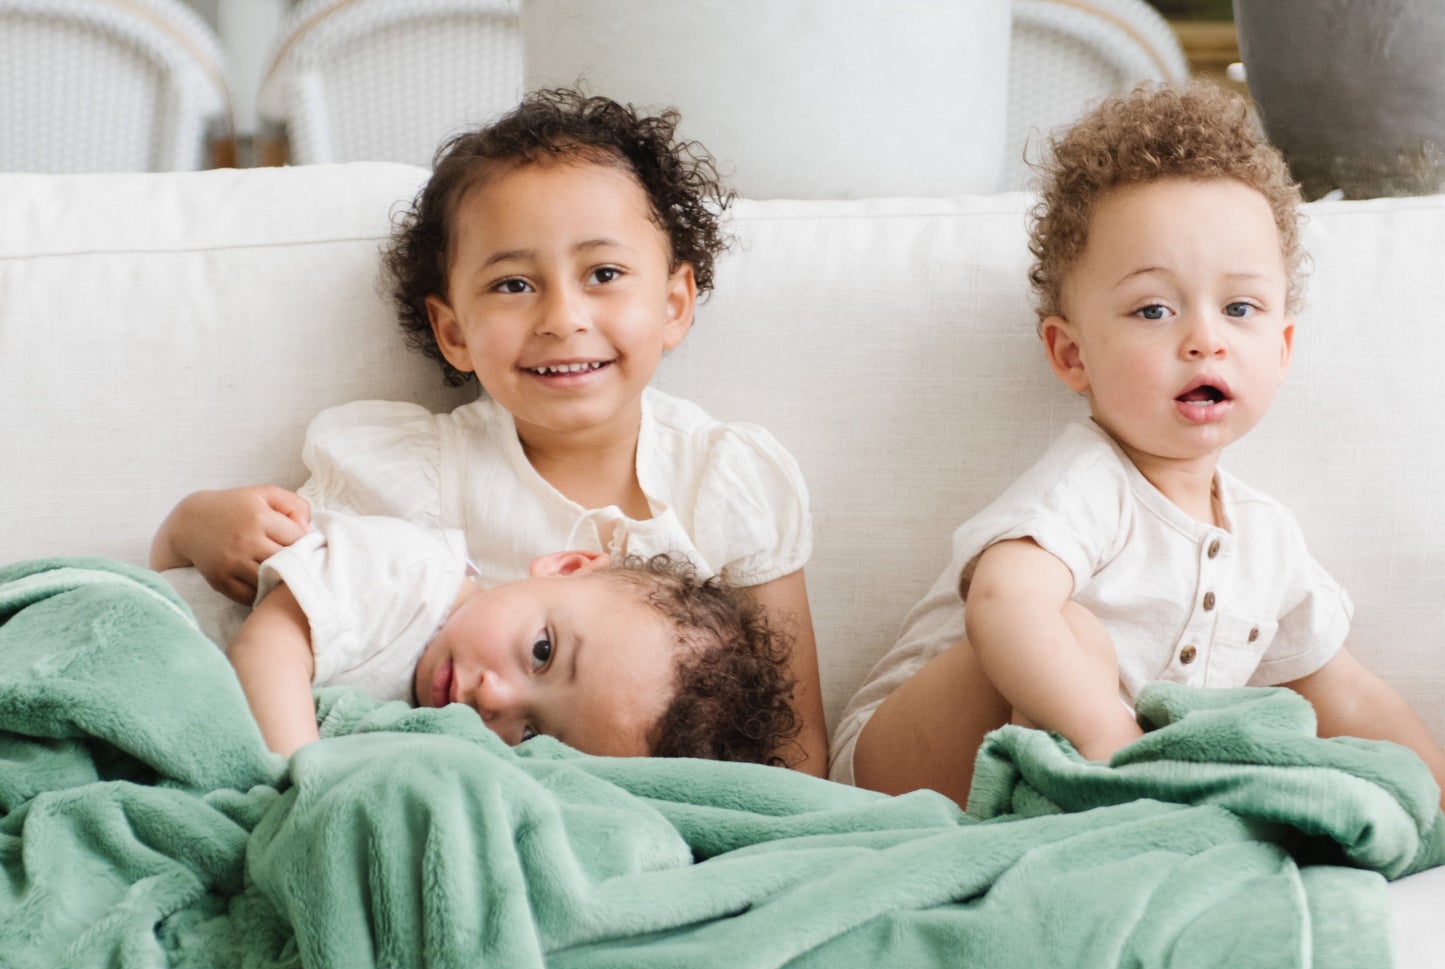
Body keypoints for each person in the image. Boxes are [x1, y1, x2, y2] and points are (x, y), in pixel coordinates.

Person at [150, 89, 828, 774]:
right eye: (512, 284)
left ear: (673, 304)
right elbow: (285, 611)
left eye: (603, 273)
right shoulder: (412, 475)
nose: (562, 317)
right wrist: (194, 525)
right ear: (453, 331)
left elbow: (791, 749)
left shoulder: (725, 479)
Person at [831, 82, 1445, 810]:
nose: (1204, 338)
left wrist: (1433, 792)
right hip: (902, 766)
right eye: (1153, 308)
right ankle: (1074, 789)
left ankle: (1076, 819)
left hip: (1087, 778)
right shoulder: (1089, 483)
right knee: (1071, 633)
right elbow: (1002, 601)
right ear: (1070, 355)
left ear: (1280, 350)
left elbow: (1347, 692)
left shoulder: (1267, 540)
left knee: (1271, 725)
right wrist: (1109, 739)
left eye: (1239, 308)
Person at [216, 507, 798, 762]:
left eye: (533, 736)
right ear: (567, 566)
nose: (495, 700)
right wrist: (301, 788)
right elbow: (267, 646)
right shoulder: (410, 575)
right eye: (542, 653)